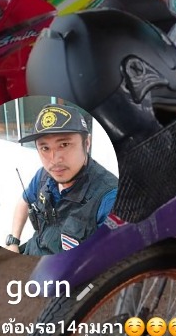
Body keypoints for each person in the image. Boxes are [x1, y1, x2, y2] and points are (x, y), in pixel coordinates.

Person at [6, 103, 117, 256]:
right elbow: (24, 200)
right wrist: (13, 241)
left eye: (64, 144)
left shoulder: (108, 197)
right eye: (45, 148)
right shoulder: (43, 175)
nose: (54, 160)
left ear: (87, 143)